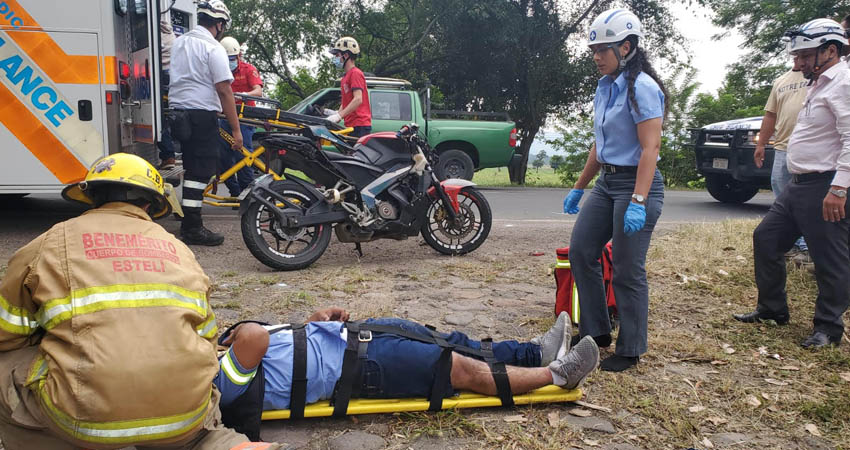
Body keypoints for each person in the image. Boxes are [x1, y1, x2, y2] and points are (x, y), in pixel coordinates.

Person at [0, 154, 283, 449]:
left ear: (91, 197)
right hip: (184, 416)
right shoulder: (180, 251)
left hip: (84, 421)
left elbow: (7, 334)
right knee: (198, 434)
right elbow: (206, 337)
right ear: (150, 205)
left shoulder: (47, 244)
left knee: (6, 367)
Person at [215, 310, 598, 434]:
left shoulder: (220, 360)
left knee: (441, 338)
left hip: (348, 339)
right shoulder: (218, 383)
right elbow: (252, 339)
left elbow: (271, 344)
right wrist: (231, 335)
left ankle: (533, 352)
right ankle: (558, 374)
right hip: (359, 369)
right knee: (456, 369)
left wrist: (314, 320)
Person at [561, 8, 667, 372]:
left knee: (626, 268)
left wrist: (638, 200)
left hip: (638, 184)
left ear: (626, 47)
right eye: (593, 50)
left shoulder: (644, 88)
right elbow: (600, 144)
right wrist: (579, 187)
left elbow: (650, 149)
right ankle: (597, 332)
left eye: (602, 50)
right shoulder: (605, 88)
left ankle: (631, 348)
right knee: (581, 251)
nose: (596, 57)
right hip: (608, 182)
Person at [734, 19, 850, 349]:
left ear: (830, 51)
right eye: (796, 56)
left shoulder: (843, 82)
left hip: (825, 184)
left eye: (804, 56)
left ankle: (828, 328)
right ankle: (772, 309)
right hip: (799, 184)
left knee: (829, 257)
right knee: (767, 238)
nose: (797, 64)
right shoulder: (817, 82)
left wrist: (839, 189)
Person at [169, 0, 242, 246]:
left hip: (179, 114)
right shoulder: (213, 48)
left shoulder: (179, 43)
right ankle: (192, 228)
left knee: (192, 169)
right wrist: (235, 129)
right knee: (200, 172)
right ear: (219, 24)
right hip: (201, 116)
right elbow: (224, 89)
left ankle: (189, 222)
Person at [753, 55, 809, 262]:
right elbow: (770, 115)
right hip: (782, 148)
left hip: (808, 149)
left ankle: (805, 247)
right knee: (782, 196)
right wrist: (761, 144)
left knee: (805, 199)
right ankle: (790, 244)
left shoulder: (817, 76)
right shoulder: (781, 81)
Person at [218, 36, 261, 196]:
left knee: (242, 157)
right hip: (224, 118)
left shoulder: (248, 69)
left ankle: (248, 194)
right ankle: (235, 192)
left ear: (238, 56)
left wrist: (244, 95)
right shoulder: (219, 70)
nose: (230, 62)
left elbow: (258, 91)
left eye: (232, 58)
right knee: (223, 158)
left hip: (244, 119)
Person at [327, 37, 372, 138]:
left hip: (359, 125)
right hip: (351, 124)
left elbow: (358, 99)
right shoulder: (345, 77)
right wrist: (336, 115)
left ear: (346, 55)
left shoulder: (355, 73)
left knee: (356, 153)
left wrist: (339, 115)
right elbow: (346, 102)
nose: (335, 58)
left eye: (337, 55)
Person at [158, 12, 178, 170]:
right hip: (172, 78)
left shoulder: (156, 36)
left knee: (160, 119)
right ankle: (169, 155)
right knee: (165, 120)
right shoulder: (171, 35)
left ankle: (168, 156)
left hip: (163, 77)